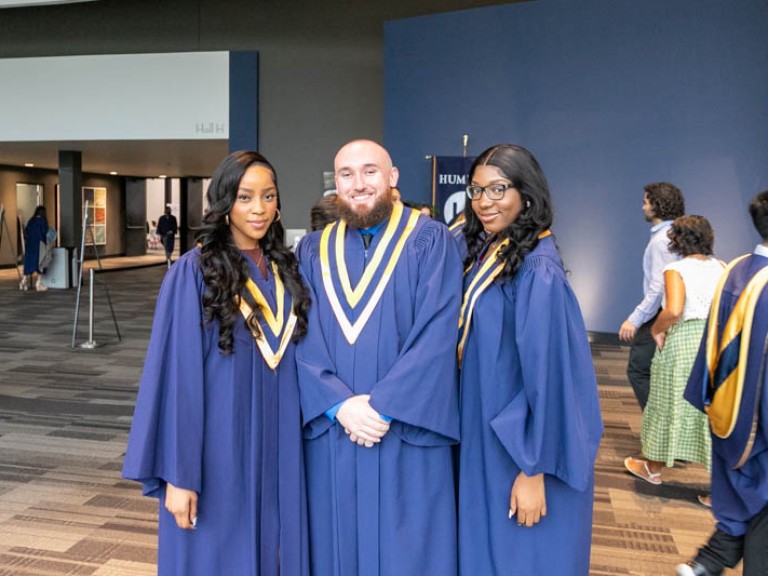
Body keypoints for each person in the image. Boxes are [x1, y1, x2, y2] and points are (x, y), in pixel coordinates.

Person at [122, 151, 311, 576]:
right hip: (218, 449)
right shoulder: (195, 273)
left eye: (269, 196)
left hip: (280, 444)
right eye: (245, 197)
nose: (259, 209)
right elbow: (176, 381)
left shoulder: (287, 271)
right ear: (224, 202)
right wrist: (179, 474)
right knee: (217, 554)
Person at [295, 139, 462, 576]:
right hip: (338, 429)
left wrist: (382, 405)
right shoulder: (312, 250)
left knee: (407, 549)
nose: (358, 183)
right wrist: (337, 403)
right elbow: (300, 336)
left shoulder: (430, 241)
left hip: (402, 428)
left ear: (392, 178)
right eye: (346, 175)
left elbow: (437, 334)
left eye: (370, 171)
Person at [457, 144, 603, 575]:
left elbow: (551, 377)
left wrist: (533, 468)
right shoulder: (496, 252)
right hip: (489, 433)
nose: (484, 201)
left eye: (498, 189)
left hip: (518, 446)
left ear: (527, 193)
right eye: (477, 190)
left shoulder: (538, 271)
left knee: (524, 557)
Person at [676, 190, 768, 576]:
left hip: (728, 411)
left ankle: (718, 552)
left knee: (739, 492)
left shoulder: (738, 268)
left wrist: (710, 400)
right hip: (759, 418)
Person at [624, 215, 724, 485]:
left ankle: (653, 468)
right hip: (711, 342)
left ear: (677, 240)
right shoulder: (721, 267)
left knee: (666, 402)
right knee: (707, 407)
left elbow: (674, 310)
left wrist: (656, 329)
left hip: (683, 343)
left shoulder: (676, 270)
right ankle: (718, 485)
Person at [620, 182, 685, 409]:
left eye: (645, 202)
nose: (643, 208)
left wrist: (634, 319)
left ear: (657, 205)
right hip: (670, 314)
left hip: (660, 315)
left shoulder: (662, 241)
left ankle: (656, 429)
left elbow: (659, 287)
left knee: (638, 370)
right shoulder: (675, 234)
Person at [20, 205, 51, 292]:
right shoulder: (42, 221)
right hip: (39, 245)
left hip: (30, 245)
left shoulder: (31, 220)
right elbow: (45, 233)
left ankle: (23, 281)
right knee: (40, 263)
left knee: (29, 263)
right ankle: (39, 283)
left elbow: (26, 232)